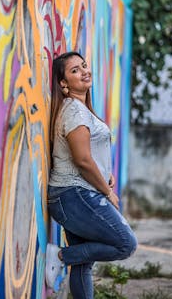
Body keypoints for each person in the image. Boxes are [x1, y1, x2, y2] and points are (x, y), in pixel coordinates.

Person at [45, 51, 137, 299]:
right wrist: (108, 192)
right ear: (63, 83)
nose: (84, 71)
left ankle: (67, 257)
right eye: (75, 70)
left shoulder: (79, 109)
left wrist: (105, 175)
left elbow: (89, 157)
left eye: (84, 66)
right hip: (73, 195)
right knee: (125, 243)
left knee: (84, 264)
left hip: (73, 196)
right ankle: (61, 256)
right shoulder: (74, 111)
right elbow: (83, 160)